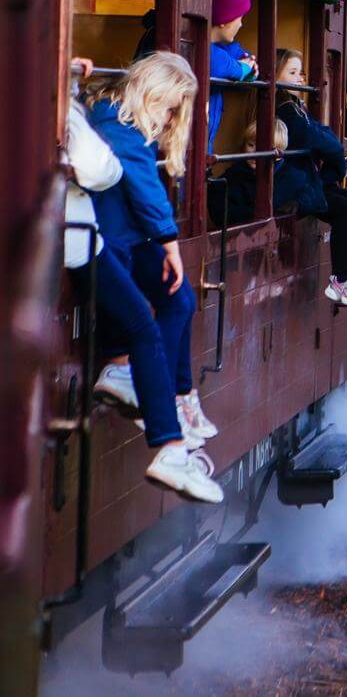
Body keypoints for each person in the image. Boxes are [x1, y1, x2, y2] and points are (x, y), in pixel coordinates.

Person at [79, 52, 223, 504]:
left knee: (178, 301)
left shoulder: (120, 123)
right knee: (144, 323)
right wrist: (169, 243)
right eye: (169, 107)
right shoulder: (118, 125)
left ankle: (176, 397)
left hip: (120, 239)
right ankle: (167, 440)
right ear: (152, 91)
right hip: (102, 242)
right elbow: (143, 187)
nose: (169, 118)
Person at [274, 49, 347, 309]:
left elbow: (321, 132)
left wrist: (332, 151)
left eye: (300, 73)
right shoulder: (284, 109)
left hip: (305, 179)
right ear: (275, 74)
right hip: (293, 185)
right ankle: (342, 280)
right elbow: (314, 137)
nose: (299, 79)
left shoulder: (296, 106)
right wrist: (335, 155)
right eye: (292, 72)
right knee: (344, 210)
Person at [208, 118, 323, 227]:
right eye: (251, 145)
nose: (254, 153)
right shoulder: (233, 176)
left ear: (278, 153)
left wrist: (297, 204)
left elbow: (315, 198)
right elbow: (219, 212)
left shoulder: (293, 177)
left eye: (264, 148)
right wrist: (262, 214)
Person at [208, 0, 257, 153]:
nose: (241, 24)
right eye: (240, 18)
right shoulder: (209, 51)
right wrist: (243, 69)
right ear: (225, 19)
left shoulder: (225, 47)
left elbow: (245, 62)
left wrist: (250, 69)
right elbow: (221, 65)